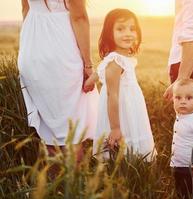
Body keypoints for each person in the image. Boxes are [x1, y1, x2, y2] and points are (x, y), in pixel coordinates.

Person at [18, 0, 98, 161]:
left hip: (30, 51)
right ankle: (75, 184)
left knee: (50, 128)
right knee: (71, 128)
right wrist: (88, 64)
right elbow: (79, 17)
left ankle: (54, 185)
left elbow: (25, 8)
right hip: (61, 52)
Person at [83, 9, 156, 160]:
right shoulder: (116, 61)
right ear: (110, 33)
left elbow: (102, 69)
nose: (128, 33)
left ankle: (129, 164)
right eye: (120, 29)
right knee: (125, 136)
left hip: (128, 104)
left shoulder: (117, 57)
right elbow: (112, 95)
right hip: (121, 109)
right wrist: (115, 127)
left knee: (131, 134)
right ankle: (125, 167)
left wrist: (91, 80)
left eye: (132, 28)